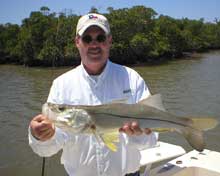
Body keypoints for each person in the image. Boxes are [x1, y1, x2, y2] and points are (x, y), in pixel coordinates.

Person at [29, 13, 158, 176]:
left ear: (109, 40)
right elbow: (47, 150)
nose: (94, 44)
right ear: (77, 42)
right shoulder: (61, 84)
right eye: (87, 39)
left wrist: (139, 135)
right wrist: (40, 136)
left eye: (100, 37)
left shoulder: (132, 78)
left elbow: (151, 140)